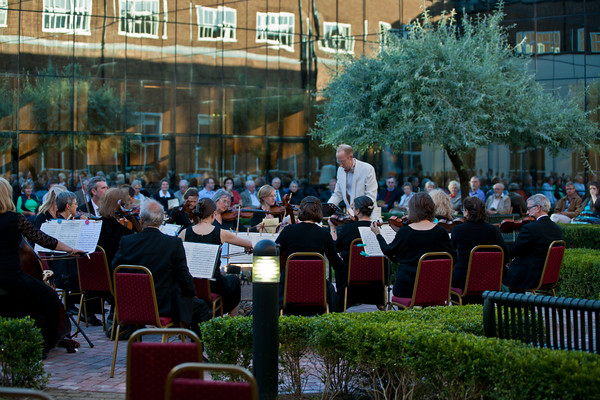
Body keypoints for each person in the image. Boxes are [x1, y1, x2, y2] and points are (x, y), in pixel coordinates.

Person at [0, 177, 85, 353]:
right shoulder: (15, 219)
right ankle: (43, 345)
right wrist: (70, 249)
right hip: (12, 277)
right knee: (50, 298)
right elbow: (44, 240)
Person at [112, 199, 211, 335]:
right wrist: (192, 293)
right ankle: (198, 352)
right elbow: (184, 277)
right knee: (201, 307)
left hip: (132, 306)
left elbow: (115, 270)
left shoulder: (127, 242)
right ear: (161, 220)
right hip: (164, 307)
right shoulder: (173, 244)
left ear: (141, 219)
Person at [370, 192, 456, 298]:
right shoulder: (441, 232)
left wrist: (378, 234)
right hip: (435, 287)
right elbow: (453, 257)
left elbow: (388, 251)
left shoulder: (405, 232)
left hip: (407, 288)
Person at [179, 198, 252, 316]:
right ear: (213, 214)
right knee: (234, 280)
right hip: (213, 283)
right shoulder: (221, 233)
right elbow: (248, 244)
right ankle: (231, 320)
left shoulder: (185, 233)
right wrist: (248, 248)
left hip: (191, 283)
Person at [276, 196, 343, 313]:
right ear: (319, 212)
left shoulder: (288, 230)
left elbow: (273, 251)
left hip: (290, 289)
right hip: (317, 290)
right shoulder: (324, 234)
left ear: (301, 211)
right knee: (330, 287)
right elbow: (337, 265)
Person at [328, 195, 380, 308]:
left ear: (357, 211)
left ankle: (342, 301)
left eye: (353, 208)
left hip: (349, 275)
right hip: (375, 275)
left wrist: (332, 228)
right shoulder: (377, 229)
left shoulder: (348, 229)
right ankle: (380, 302)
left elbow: (335, 248)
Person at [503, 194, 563, 291]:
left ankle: (507, 303)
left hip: (529, 276)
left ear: (538, 208)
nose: (527, 212)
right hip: (548, 276)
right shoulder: (557, 229)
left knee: (500, 268)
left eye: (529, 208)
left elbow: (513, 251)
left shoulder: (530, 228)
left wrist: (502, 246)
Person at [450, 197, 508, 291]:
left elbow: (452, 254)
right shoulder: (493, 230)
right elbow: (505, 254)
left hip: (463, 280)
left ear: (467, 212)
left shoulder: (458, 230)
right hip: (490, 279)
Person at [327, 144, 378, 216]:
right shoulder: (340, 170)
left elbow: (371, 196)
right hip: (350, 216)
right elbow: (338, 194)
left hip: (368, 216)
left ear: (350, 157)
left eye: (342, 161)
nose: (341, 165)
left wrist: (355, 210)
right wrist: (327, 208)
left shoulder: (368, 169)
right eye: (339, 162)